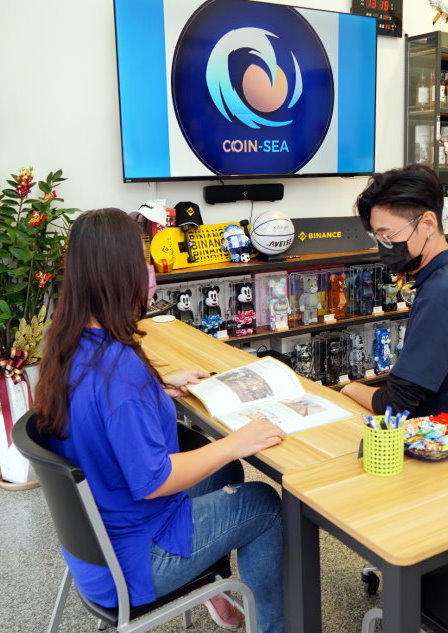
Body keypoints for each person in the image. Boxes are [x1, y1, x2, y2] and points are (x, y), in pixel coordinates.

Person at [33, 208, 285, 632]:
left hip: (97, 543)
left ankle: (213, 582)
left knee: (224, 471)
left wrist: (155, 387)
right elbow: (154, 480)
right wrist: (236, 441)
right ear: (123, 274)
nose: (150, 272)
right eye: (143, 262)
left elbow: (102, 408)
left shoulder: (66, 343)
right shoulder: (120, 374)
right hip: (135, 558)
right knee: (263, 504)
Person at [341, 165, 448, 419]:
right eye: (378, 238)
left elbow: (396, 404)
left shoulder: (439, 294)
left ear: (427, 224)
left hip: (440, 432)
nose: (384, 247)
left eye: (388, 236)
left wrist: (350, 389)